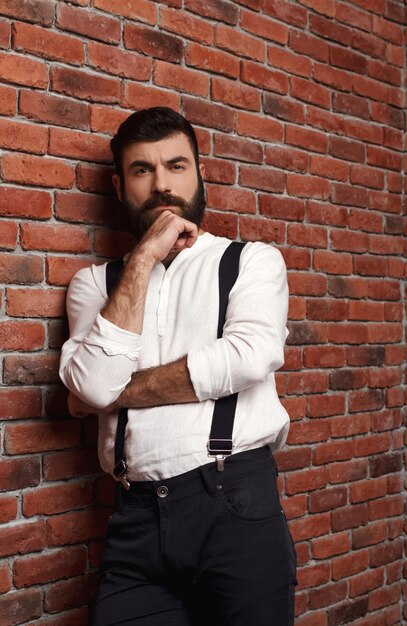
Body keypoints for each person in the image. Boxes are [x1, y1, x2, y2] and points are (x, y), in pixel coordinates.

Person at [59, 107, 296, 626]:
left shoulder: (250, 261)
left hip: (234, 503)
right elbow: (89, 385)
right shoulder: (94, 285)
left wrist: (108, 393)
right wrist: (143, 258)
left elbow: (247, 357)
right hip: (134, 517)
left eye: (176, 165)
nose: (162, 184)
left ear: (198, 172)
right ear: (121, 185)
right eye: (143, 170)